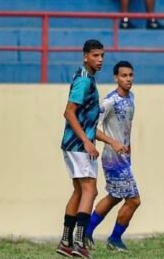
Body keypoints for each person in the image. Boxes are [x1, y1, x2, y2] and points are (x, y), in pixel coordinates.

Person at [56, 39, 127, 259]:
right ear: (85, 56)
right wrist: (86, 142)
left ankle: (66, 242)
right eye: (95, 55)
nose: (100, 60)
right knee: (90, 190)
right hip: (79, 145)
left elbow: (84, 120)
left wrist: (106, 141)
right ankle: (79, 242)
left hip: (72, 144)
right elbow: (69, 112)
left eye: (102, 56)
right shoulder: (84, 82)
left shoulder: (85, 77)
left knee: (79, 191)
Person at [85, 61, 140, 253]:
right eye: (124, 76)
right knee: (134, 200)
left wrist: (128, 148)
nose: (128, 79)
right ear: (116, 77)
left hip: (123, 158)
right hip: (112, 159)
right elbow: (91, 128)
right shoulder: (110, 101)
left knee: (115, 196)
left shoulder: (131, 97)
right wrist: (113, 143)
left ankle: (86, 232)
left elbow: (126, 128)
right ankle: (114, 239)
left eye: (130, 75)